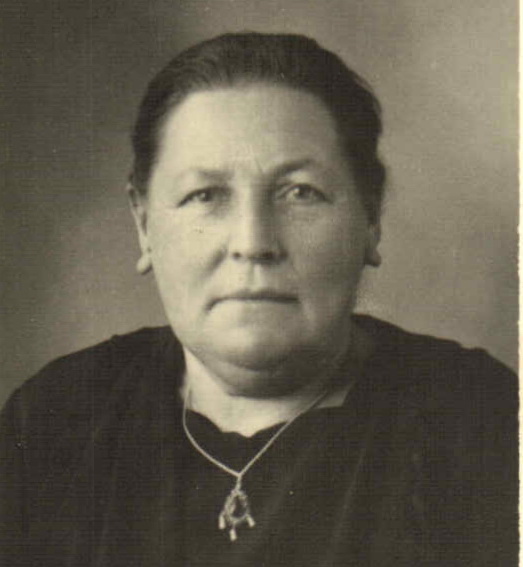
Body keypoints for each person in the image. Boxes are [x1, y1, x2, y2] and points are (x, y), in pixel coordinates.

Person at [0, 32, 517, 567]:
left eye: (300, 193)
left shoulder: (479, 423)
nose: (252, 243)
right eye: (205, 195)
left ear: (370, 216)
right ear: (144, 223)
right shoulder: (54, 421)